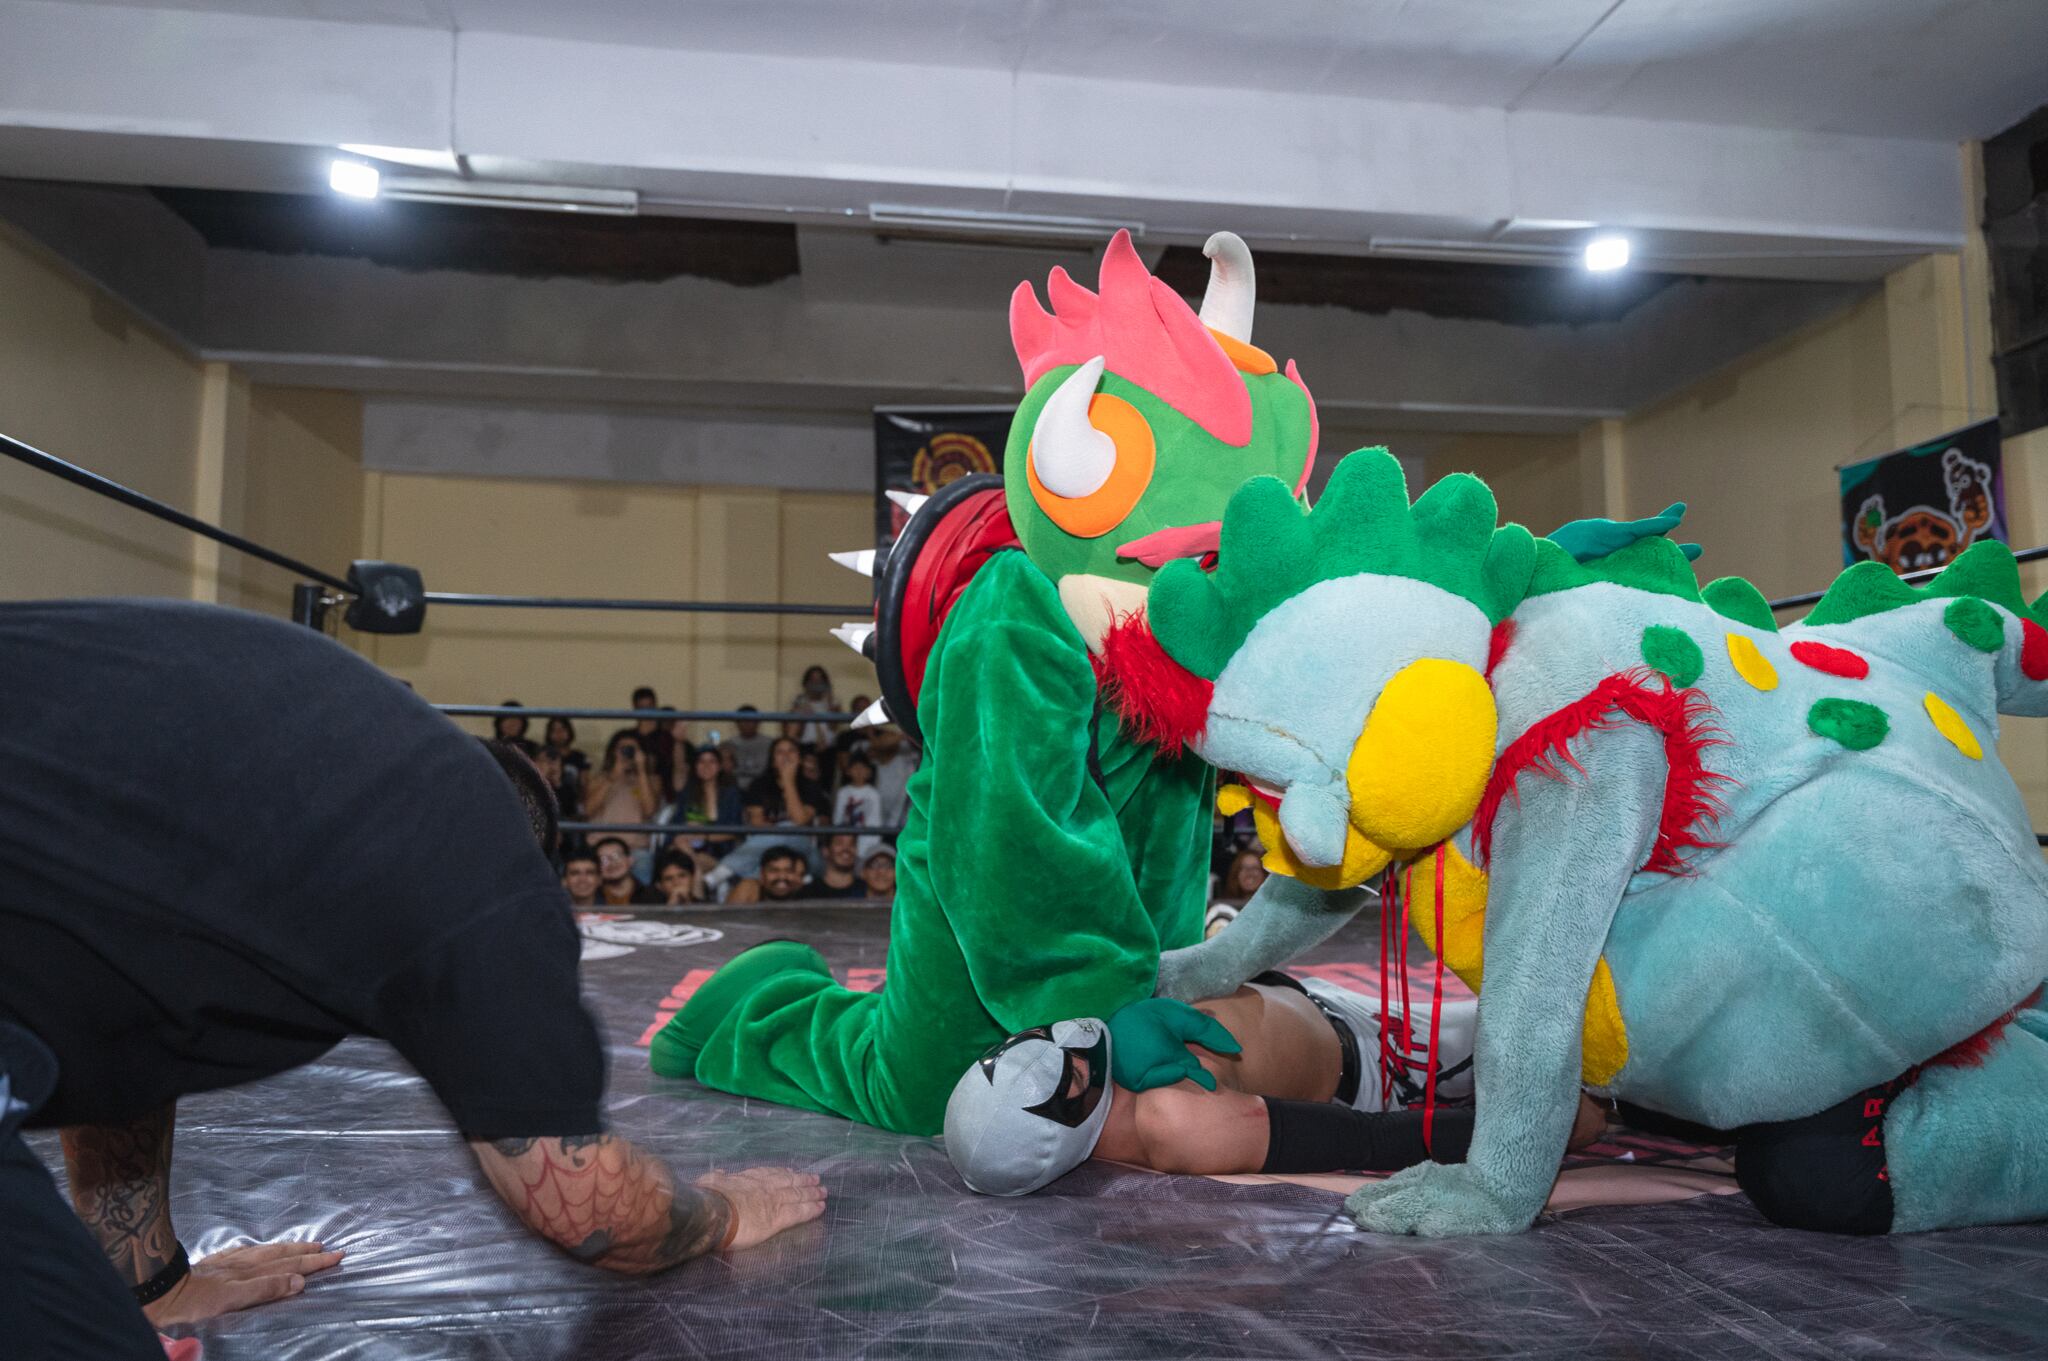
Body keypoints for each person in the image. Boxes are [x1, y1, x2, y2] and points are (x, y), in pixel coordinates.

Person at [0, 600, 825, 1359]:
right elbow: (589, 1206)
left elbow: (116, 993)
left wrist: (147, 1279)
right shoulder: (479, 870)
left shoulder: (329, 775)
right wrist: (725, 1214)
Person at [945, 973, 1605, 1194]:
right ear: (1066, 1117)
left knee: (1587, 1018)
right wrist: (1528, 1130)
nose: (1063, 1039)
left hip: (1328, 1006)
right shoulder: (1174, 1121)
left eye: (1032, 1039)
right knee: (1593, 1037)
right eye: (1067, 1069)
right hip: (1385, 1058)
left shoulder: (1118, 1063)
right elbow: (1368, 1140)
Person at [584, 731, 661, 874]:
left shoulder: (651, 780)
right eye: (622, 748)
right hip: (599, 846)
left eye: (632, 749)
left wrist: (641, 770)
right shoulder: (599, 778)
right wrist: (614, 774)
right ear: (613, 752)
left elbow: (649, 810)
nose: (627, 753)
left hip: (635, 849)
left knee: (644, 862)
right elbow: (588, 810)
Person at [668, 745, 744, 868]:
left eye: (712, 761)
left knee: (694, 860)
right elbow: (677, 827)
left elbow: (735, 831)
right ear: (695, 767)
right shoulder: (689, 793)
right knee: (677, 849)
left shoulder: (730, 794)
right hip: (689, 847)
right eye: (701, 762)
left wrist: (705, 836)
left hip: (719, 849)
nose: (706, 766)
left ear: (719, 766)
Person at [866, 726, 918, 830]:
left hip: (905, 815)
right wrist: (901, 733)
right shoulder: (879, 752)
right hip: (882, 811)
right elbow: (881, 744)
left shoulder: (907, 751)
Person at [725, 845, 813, 905]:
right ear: (762, 875)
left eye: (788, 871)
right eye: (774, 870)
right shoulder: (750, 888)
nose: (782, 877)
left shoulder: (808, 895)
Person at [630, 686, 678, 794]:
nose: (646, 713)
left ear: (655, 708)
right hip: (632, 791)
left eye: (649, 708)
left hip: (664, 793)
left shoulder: (667, 738)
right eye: (642, 708)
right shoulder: (627, 737)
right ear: (634, 710)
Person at [594, 837, 664, 907]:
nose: (612, 863)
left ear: (630, 860)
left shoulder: (653, 894)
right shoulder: (592, 894)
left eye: (616, 856)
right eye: (603, 859)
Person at [833, 754, 883, 852]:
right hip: (846, 841)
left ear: (869, 772)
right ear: (848, 771)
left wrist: (874, 844)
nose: (859, 771)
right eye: (855, 768)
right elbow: (837, 820)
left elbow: (876, 822)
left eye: (862, 768)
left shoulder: (873, 794)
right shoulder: (843, 792)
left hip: (868, 841)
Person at [788, 665, 838, 753]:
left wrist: (829, 698)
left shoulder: (833, 701)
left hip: (828, 746)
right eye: (813, 680)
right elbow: (793, 729)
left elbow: (833, 726)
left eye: (819, 680)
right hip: (806, 745)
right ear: (806, 683)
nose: (816, 683)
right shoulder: (800, 701)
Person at [806, 834, 871, 901]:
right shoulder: (808, 892)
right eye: (839, 843)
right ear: (825, 851)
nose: (846, 849)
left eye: (852, 844)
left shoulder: (868, 890)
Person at [726, 705, 774, 786]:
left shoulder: (770, 744)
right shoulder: (729, 745)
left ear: (758, 722)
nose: (747, 724)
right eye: (743, 720)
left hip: (764, 787)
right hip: (736, 788)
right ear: (737, 723)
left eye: (751, 720)